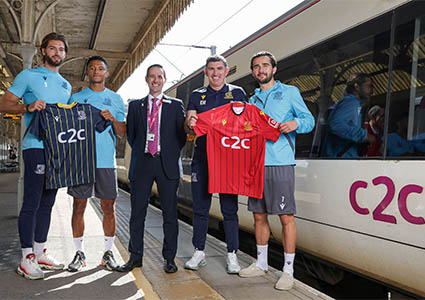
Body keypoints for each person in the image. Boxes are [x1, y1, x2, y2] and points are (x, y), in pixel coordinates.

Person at [238, 51, 314, 291]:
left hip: (280, 164)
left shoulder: (290, 92)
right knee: (259, 216)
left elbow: (309, 120)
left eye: (265, 65)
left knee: (285, 217)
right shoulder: (251, 101)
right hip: (255, 165)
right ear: (253, 72)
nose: (261, 70)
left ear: (274, 68)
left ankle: (288, 271)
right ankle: (261, 264)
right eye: (256, 67)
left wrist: (296, 124)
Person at [0, 32, 71, 279]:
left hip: (57, 151)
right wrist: (27, 107)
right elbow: (4, 103)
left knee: (48, 202)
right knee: (31, 201)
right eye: (52, 48)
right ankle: (26, 257)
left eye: (61, 49)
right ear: (43, 51)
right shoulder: (28, 76)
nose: (57, 53)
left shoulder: (66, 85)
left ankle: (40, 251)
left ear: (65, 54)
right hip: (35, 146)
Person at [119, 64, 186, 273]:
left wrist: (168, 152)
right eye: (152, 77)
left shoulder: (175, 105)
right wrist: (145, 149)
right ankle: (135, 257)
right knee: (137, 213)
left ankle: (169, 259)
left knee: (169, 215)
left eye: (159, 77)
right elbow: (132, 135)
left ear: (164, 80)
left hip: (166, 164)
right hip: (143, 163)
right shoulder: (136, 105)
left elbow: (181, 135)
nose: (155, 80)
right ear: (146, 80)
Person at [184, 55, 248, 274]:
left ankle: (232, 255)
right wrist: (191, 123)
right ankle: (199, 251)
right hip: (202, 158)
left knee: (229, 209)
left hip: (228, 159)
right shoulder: (196, 95)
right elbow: (189, 124)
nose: (215, 73)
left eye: (219, 69)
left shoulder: (238, 93)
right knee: (200, 207)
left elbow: (244, 124)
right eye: (211, 69)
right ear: (206, 72)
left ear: (226, 71)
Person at [66, 56, 126, 272]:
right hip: (81, 160)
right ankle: (79, 254)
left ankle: (108, 253)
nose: (96, 71)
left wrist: (112, 119)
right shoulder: (77, 98)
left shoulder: (116, 99)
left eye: (100, 68)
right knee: (79, 205)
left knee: (108, 206)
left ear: (107, 73)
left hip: (105, 161)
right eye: (92, 68)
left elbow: (122, 134)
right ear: (87, 73)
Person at [323, 73, 375, 158]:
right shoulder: (351, 102)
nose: (372, 91)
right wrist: (364, 136)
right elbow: (335, 125)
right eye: (369, 86)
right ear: (357, 86)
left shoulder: (354, 103)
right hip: (339, 161)